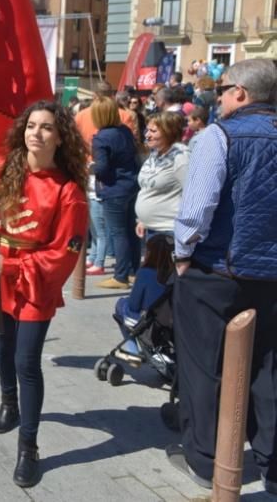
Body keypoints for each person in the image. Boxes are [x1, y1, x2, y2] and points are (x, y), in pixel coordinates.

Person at [166, 58, 277, 493]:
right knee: (269, 368)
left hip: (217, 271)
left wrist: (181, 254)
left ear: (242, 94)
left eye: (223, 88)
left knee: (203, 367)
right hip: (269, 275)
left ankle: (204, 458)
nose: (217, 97)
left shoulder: (220, 135)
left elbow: (197, 208)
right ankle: (271, 463)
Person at [0, 101, 88, 488]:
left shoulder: (69, 192)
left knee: (26, 362)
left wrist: (18, 267)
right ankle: (9, 403)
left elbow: (64, 253)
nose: (36, 132)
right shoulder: (3, 170)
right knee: (2, 347)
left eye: (47, 127)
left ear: (59, 137)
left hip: (34, 281)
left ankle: (28, 447)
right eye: (31, 125)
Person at [90, 96, 141, 290]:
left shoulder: (101, 137)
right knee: (131, 232)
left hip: (113, 189)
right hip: (130, 185)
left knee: (119, 233)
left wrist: (91, 168)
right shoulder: (124, 131)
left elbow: (102, 168)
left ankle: (120, 276)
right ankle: (133, 271)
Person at [113, 233, 172, 359]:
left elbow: (134, 306)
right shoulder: (175, 275)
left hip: (147, 321)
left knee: (121, 304)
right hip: (168, 322)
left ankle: (133, 351)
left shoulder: (145, 273)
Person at [135, 112, 188, 242]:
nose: (147, 135)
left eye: (153, 131)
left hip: (170, 231)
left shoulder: (181, 157)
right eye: (147, 130)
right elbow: (148, 188)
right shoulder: (155, 154)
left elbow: (193, 194)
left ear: (168, 132)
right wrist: (143, 220)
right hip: (153, 230)